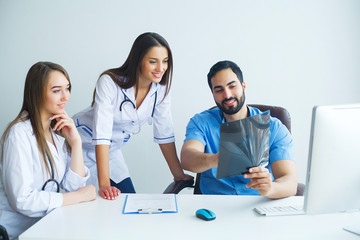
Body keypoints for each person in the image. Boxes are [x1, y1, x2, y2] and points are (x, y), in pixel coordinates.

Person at [73, 32, 193, 200]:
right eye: (153, 62)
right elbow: (102, 134)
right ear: (137, 60)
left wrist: (178, 174)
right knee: (89, 203)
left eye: (165, 61)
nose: (161, 68)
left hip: (111, 152)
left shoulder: (161, 89)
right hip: (78, 148)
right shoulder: (109, 82)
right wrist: (105, 183)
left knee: (128, 200)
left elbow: (164, 133)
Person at [0, 62, 97, 240]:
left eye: (67, 88)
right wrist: (77, 197)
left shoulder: (56, 132)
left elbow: (73, 188)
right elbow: (22, 200)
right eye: (56, 90)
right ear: (37, 93)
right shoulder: (19, 134)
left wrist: (76, 142)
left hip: (45, 227)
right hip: (16, 234)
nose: (65, 96)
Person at [181, 60, 297, 198]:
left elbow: (289, 182)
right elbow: (187, 159)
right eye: (219, 90)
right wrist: (215, 159)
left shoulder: (274, 127)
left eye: (232, 86)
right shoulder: (201, 122)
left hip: (257, 203)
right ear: (212, 93)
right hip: (214, 205)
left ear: (243, 86)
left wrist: (270, 188)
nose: (227, 95)